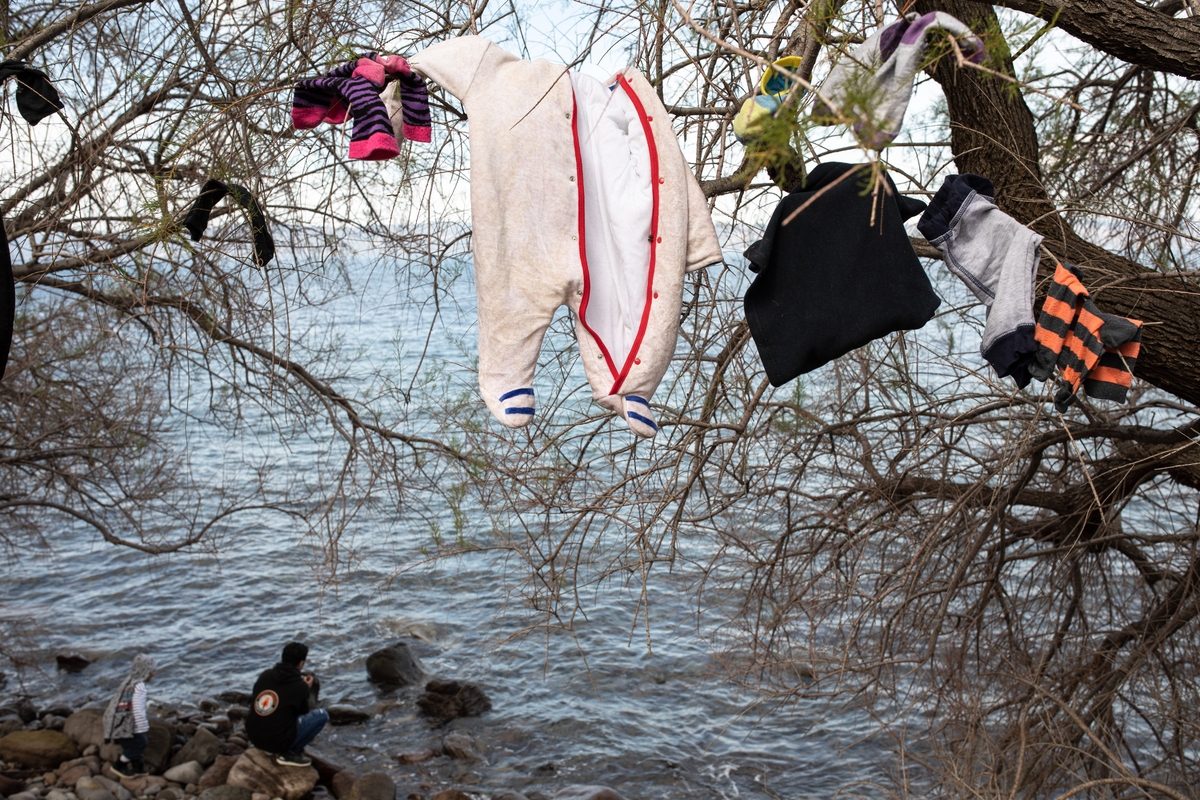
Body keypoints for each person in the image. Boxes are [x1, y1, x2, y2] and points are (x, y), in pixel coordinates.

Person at [245, 641, 328, 767]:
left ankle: (266, 744)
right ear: (301, 663)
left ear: (282, 658)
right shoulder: (300, 687)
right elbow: (303, 713)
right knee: (322, 716)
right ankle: (291, 753)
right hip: (277, 742)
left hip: (253, 737)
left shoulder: (265, 675)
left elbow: (255, 699)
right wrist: (306, 689)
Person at [102, 654, 156, 777]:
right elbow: (138, 709)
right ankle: (119, 765)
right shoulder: (139, 687)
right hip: (126, 723)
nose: (154, 673)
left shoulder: (128, 681)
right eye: (152, 670)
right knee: (141, 743)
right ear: (145, 671)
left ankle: (137, 767)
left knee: (130, 745)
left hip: (116, 720)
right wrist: (142, 727)